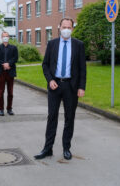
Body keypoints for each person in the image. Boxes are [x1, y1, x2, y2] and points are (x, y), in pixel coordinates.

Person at [35, 17, 86, 160]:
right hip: (55, 85)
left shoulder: (79, 45)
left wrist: (81, 87)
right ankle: (47, 148)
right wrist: (50, 79)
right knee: (52, 117)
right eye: (64, 27)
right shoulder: (52, 44)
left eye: (69, 27)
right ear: (59, 27)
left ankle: (66, 148)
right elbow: (45, 65)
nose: (66, 30)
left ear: (72, 29)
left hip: (71, 86)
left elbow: (82, 68)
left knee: (70, 118)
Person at [0, 31, 18, 116]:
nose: (5, 37)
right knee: (1, 92)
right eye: (4, 36)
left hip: (10, 72)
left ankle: (9, 109)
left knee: (10, 92)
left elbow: (15, 58)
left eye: (7, 36)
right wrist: (4, 65)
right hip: (0, 72)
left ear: (9, 37)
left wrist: (9, 64)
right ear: (1, 37)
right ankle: (1, 109)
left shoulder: (14, 48)